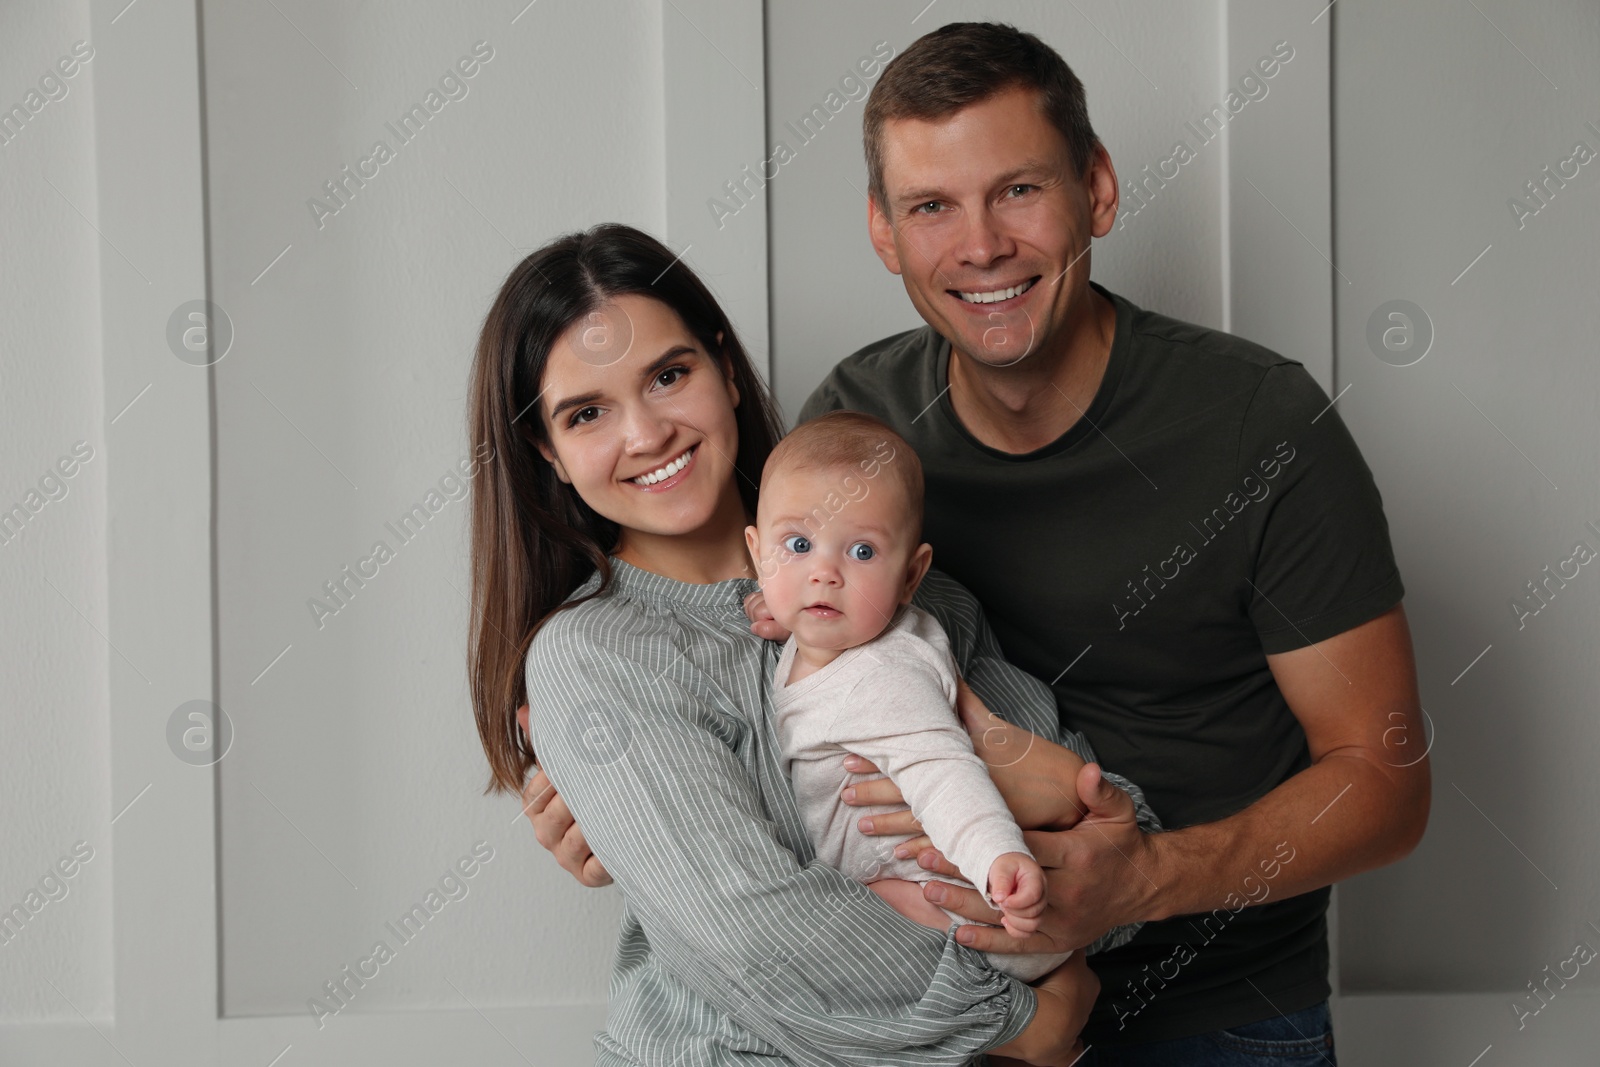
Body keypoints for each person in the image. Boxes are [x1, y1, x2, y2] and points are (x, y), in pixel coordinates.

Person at [532, 21, 1431, 1064]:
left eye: (1017, 190)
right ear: (883, 231)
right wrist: (622, 806)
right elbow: (757, 837)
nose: (980, 244)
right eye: (930, 206)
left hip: (1217, 1007)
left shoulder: (1255, 423)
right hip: (967, 1015)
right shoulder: (858, 430)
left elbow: (1385, 777)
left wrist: (1132, 871)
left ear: (1095, 189)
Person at [469, 222, 1159, 1066]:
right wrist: (1020, 1024)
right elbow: (750, 932)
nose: (646, 434)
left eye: (669, 375)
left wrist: (1005, 756)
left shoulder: (907, 588)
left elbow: (1122, 864)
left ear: (724, 370)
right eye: (587, 413)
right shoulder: (594, 654)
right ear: (548, 451)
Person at [746, 410, 1152, 982]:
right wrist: (781, 608)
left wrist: (997, 860)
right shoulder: (826, 628)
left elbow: (945, 775)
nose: (824, 574)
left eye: (861, 552)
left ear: (912, 577)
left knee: (832, 930)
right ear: (757, 551)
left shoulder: (884, 677)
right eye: (798, 544)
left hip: (969, 903)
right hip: (938, 887)